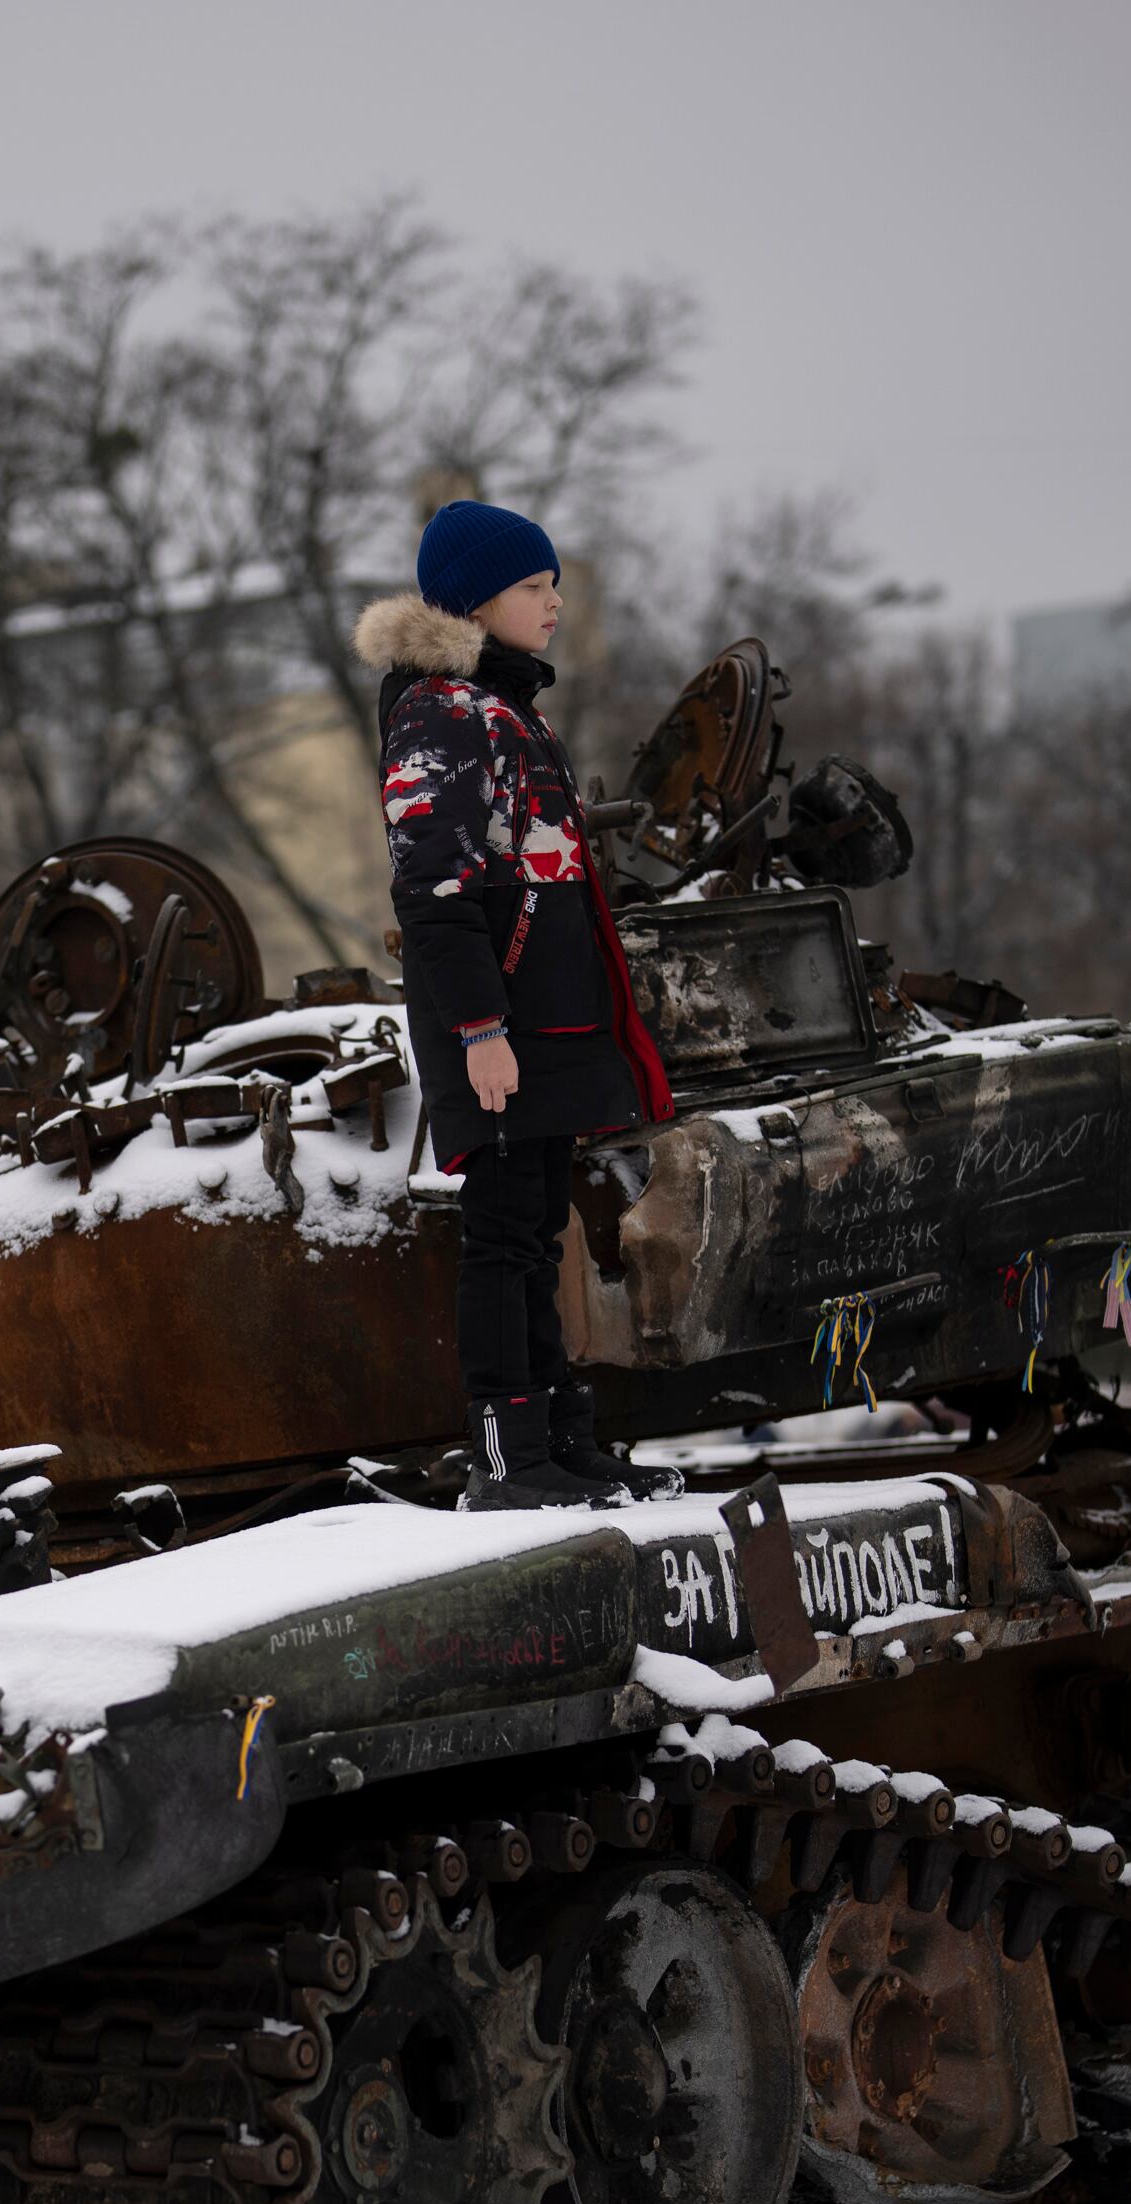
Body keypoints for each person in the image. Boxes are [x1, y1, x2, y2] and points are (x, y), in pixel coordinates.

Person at [356, 500, 673, 1509]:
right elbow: (435, 891)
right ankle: (507, 1456)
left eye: (551, 583)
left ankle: (557, 1436)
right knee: (500, 1234)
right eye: (534, 586)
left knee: (537, 1228)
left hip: (542, 1022)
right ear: (479, 598)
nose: (554, 601)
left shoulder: (502, 712)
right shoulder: (436, 714)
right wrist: (481, 1030)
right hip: (491, 1026)